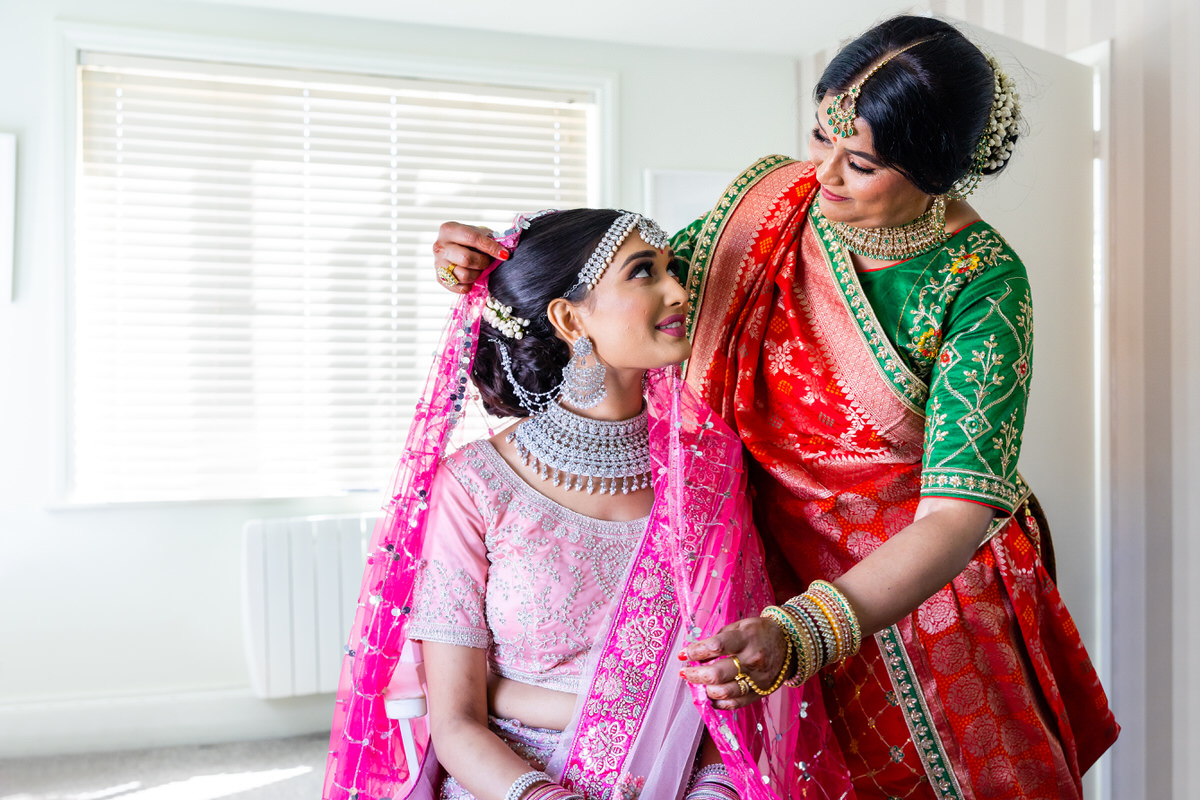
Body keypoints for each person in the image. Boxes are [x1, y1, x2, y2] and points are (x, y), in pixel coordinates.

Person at [428, 15, 1119, 800]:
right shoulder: (768, 202)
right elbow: (628, 293)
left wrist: (804, 633)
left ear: (937, 171)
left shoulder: (983, 285)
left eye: (856, 161)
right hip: (756, 574)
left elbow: (954, 519)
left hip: (918, 601)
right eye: (818, 136)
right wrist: (504, 264)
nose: (819, 173)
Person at [323, 209, 851, 800]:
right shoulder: (474, 486)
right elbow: (454, 723)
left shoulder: (705, 471)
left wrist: (714, 788)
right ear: (569, 317)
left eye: (673, 269)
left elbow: (724, 687)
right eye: (644, 273)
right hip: (512, 785)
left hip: (682, 780)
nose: (679, 291)